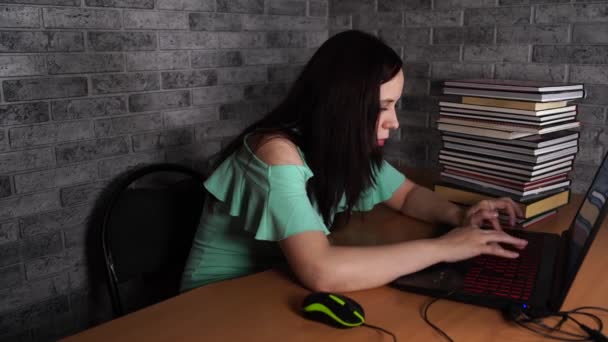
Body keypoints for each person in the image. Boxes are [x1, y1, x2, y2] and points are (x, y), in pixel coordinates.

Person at [180, 30, 527, 293]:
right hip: (219, 301)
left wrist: (459, 216)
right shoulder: (274, 152)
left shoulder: (342, 146)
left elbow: (406, 195)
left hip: (275, 286)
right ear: (342, 107)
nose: (394, 122)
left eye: (395, 105)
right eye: (382, 108)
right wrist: (445, 248)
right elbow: (321, 270)